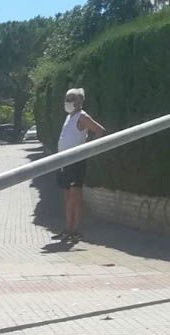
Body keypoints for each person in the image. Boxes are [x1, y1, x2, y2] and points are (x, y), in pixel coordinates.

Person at [57, 87, 106, 241]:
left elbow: (99, 130)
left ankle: (75, 229)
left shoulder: (82, 116)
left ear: (79, 102)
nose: (68, 102)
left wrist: (87, 149)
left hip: (75, 162)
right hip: (63, 162)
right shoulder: (69, 117)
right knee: (67, 197)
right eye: (67, 98)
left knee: (75, 196)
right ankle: (67, 228)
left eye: (71, 99)